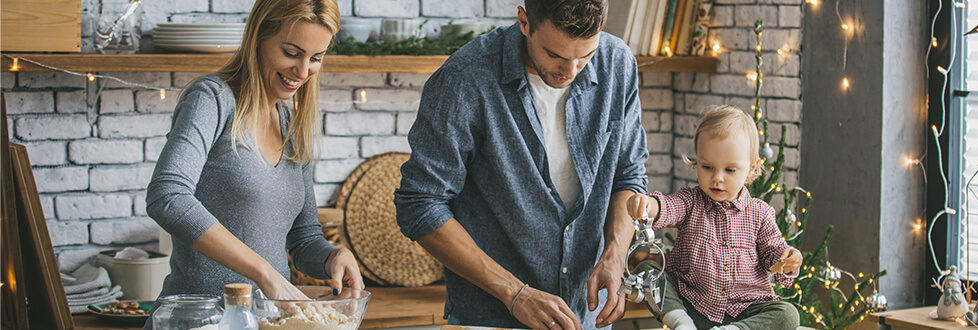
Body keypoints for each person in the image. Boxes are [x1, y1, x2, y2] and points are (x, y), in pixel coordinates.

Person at [394, 0, 648, 329]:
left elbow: (628, 175)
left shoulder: (618, 63)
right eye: (554, 54)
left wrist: (615, 253)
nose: (570, 72)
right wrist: (514, 293)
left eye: (585, 56)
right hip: (489, 316)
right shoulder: (464, 79)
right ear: (524, 22)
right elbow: (420, 203)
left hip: (586, 315)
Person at [145, 0, 363, 326]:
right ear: (259, 38)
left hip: (264, 321)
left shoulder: (292, 124)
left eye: (315, 58)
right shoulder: (213, 99)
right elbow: (168, 197)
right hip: (199, 321)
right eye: (291, 53)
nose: (303, 72)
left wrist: (334, 256)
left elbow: (302, 239)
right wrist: (265, 274)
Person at [625, 106, 802, 330]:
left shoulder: (760, 213)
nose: (717, 178)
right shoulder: (691, 201)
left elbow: (773, 253)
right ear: (697, 161)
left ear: (751, 169)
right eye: (707, 167)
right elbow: (669, 207)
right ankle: (681, 324)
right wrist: (648, 205)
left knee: (788, 315)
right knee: (647, 269)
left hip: (745, 309)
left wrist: (788, 260)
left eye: (729, 170)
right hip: (692, 305)